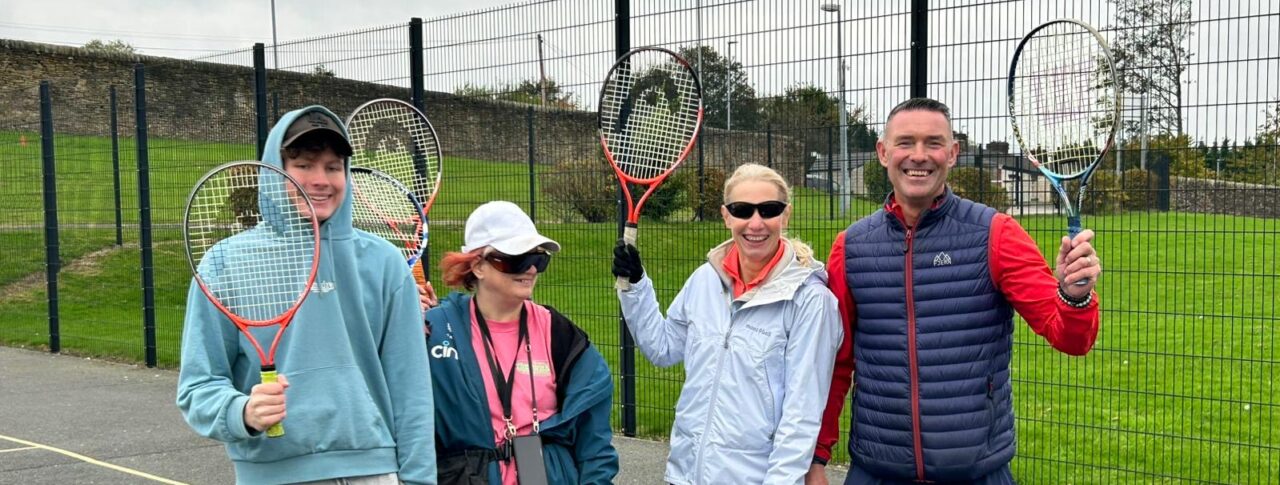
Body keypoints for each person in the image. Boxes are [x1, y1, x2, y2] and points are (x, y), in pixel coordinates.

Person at [805, 98, 1102, 485]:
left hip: (976, 473)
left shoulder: (996, 234)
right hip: (876, 471)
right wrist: (817, 457)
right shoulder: (852, 246)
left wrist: (1074, 295)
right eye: (905, 142)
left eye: (933, 143)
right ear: (882, 152)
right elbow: (837, 363)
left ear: (953, 153)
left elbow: (1070, 338)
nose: (918, 156)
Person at [177, 107, 436, 485]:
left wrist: (419, 480)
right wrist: (243, 411)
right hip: (271, 475)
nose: (320, 180)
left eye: (333, 167)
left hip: (375, 472)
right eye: (303, 165)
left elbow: (411, 391)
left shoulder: (384, 263)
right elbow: (198, 387)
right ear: (275, 168)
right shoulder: (223, 263)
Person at [611, 163, 844, 484]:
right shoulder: (705, 279)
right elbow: (662, 349)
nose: (756, 223)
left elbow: (801, 416)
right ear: (726, 216)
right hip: (685, 474)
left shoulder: (811, 301)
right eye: (742, 210)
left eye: (769, 210)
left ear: (786, 215)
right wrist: (635, 285)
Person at [425, 200, 618, 485]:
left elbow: (595, 445)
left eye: (538, 259)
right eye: (516, 259)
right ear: (478, 265)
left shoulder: (560, 335)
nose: (530, 270)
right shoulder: (435, 331)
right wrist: (398, 325)